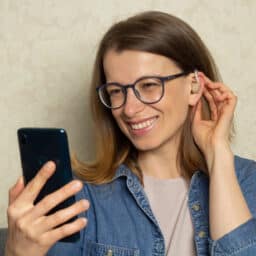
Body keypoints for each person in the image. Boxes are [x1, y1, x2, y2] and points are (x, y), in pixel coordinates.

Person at [5, 11, 256, 256]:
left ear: (194, 86)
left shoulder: (248, 182)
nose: (129, 108)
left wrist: (218, 154)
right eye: (116, 91)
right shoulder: (79, 197)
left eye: (148, 85)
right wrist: (19, 252)